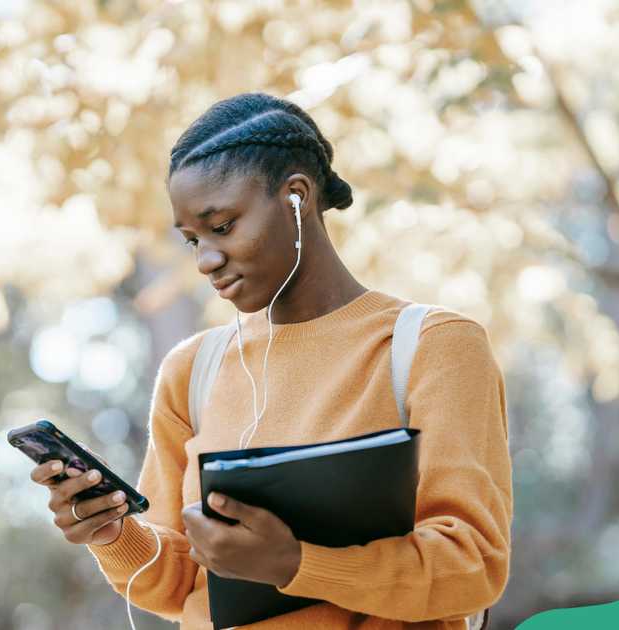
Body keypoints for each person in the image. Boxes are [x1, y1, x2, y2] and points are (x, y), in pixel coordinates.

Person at [28, 92, 512, 629]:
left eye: (223, 226)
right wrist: (113, 533)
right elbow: (177, 584)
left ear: (297, 197)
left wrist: (295, 564)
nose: (206, 260)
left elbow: (473, 566)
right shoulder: (192, 370)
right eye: (192, 240)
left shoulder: (432, 346)